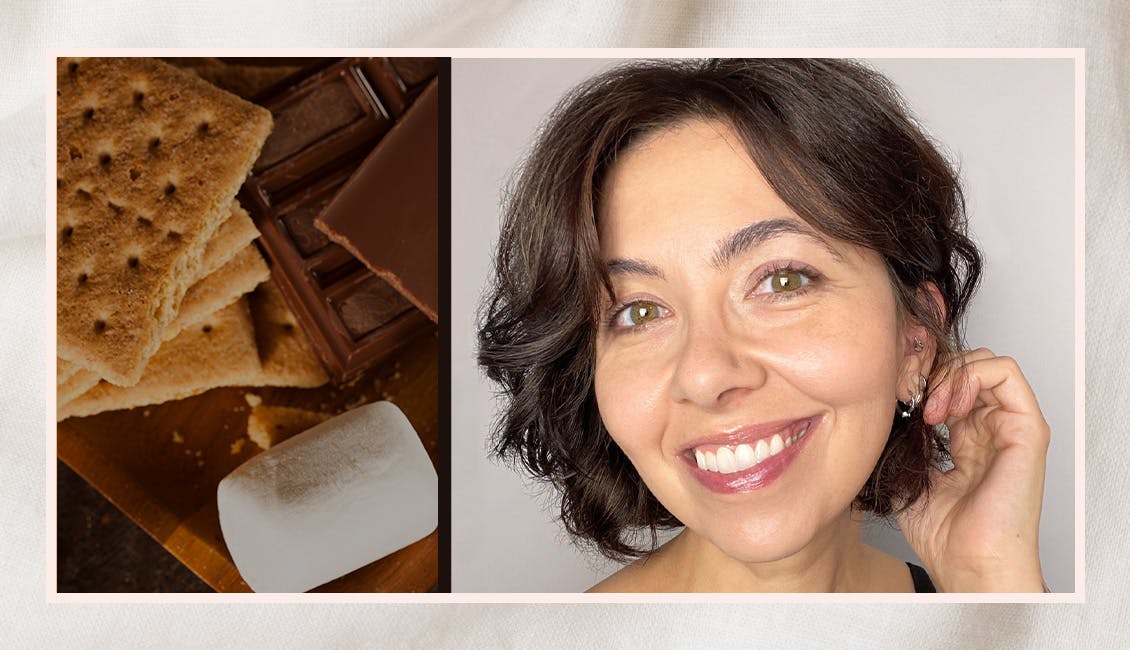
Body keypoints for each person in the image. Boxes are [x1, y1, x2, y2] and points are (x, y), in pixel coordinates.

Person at [477, 59, 1050, 593]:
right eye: (639, 311)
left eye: (781, 281)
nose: (704, 375)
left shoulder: (986, 598)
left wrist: (995, 582)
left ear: (915, 343)